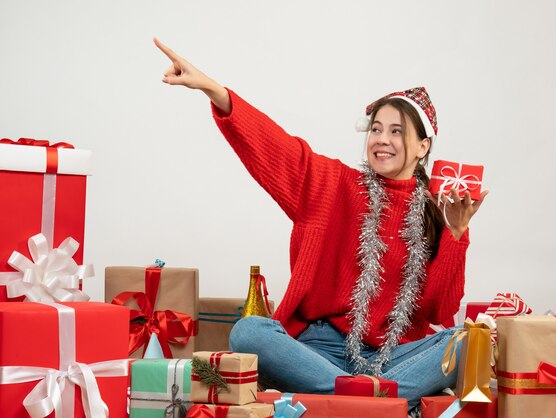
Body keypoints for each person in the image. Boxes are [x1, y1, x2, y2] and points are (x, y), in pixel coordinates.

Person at [154, 38, 488, 410]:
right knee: (249, 331)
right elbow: (276, 148)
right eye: (376, 129)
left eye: (396, 131)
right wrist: (214, 91)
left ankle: (351, 400)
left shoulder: (436, 212)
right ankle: (377, 402)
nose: (382, 140)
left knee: (467, 341)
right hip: (317, 351)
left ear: (423, 146)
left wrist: (457, 234)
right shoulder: (332, 184)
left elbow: (439, 312)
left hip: (393, 356)